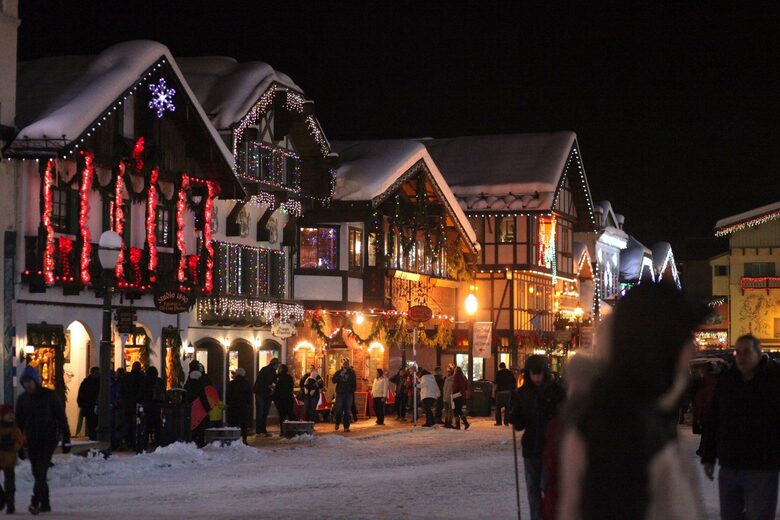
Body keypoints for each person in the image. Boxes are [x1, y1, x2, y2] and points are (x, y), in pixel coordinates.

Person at [558, 282, 707, 520]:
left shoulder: (642, 411)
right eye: (684, 339)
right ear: (657, 347)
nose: (694, 350)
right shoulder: (620, 427)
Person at [700, 334, 780, 520]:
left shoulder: (774, 378)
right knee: (730, 515)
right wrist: (708, 456)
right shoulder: (728, 380)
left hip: (763, 466)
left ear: (758, 353)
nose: (741, 357)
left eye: (746, 352)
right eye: (737, 352)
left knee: (759, 514)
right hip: (730, 464)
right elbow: (714, 419)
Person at [510, 355, 565, 520]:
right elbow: (520, 424)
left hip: (550, 449)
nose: (537, 378)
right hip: (531, 449)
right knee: (533, 493)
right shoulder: (522, 393)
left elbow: (562, 418)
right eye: (534, 374)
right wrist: (514, 417)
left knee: (549, 490)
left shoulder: (556, 392)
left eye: (540, 374)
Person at [16, 365, 70, 514]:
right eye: (24, 381)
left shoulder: (49, 396)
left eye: (29, 381)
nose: (27, 384)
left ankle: (35, 502)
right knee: (38, 472)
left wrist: (66, 438)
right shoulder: (23, 399)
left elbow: (61, 417)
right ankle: (45, 503)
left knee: (40, 470)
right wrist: (19, 445)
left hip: (48, 438)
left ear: (35, 380)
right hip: (32, 439)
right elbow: (19, 423)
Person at [0, 405, 22, 514]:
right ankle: (1, 499)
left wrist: (11, 445)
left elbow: (19, 442)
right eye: (8, 415)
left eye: (11, 415)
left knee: (9, 484)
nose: (10, 417)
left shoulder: (14, 429)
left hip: (9, 460)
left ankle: (10, 504)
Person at [184, 363, 210, 447]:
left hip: (189, 409)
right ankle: (200, 441)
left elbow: (184, 397)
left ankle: (191, 440)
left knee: (191, 424)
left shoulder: (187, 385)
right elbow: (203, 398)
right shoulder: (200, 385)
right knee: (200, 425)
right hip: (200, 409)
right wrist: (208, 408)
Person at [122, 362, 145, 451]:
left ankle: (128, 442)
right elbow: (142, 391)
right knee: (137, 424)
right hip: (137, 404)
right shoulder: (142, 377)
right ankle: (136, 443)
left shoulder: (126, 377)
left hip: (127, 404)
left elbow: (123, 390)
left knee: (128, 424)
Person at [253, 358, 279, 437]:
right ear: (274, 364)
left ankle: (262, 430)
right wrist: (269, 386)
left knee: (262, 413)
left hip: (265, 394)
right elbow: (261, 381)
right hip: (262, 394)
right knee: (262, 412)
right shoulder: (266, 370)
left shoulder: (270, 371)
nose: (278, 366)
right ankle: (260, 431)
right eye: (277, 364)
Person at [226, 368, 252, 444]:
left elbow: (228, 395)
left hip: (233, 406)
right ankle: (244, 440)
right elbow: (249, 395)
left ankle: (232, 440)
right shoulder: (246, 383)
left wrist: (229, 403)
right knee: (244, 424)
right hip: (243, 406)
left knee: (233, 423)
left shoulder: (231, 383)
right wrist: (247, 404)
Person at [332, 359, 357, 432]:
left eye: (347, 364)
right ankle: (337, 423)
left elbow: (354, 383)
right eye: (344, 364)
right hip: (340, 393)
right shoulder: (339, 372)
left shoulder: (352, 373)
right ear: (342, 365)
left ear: (348, 365)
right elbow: (333, 380)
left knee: (347, 410)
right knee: (339, 409)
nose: (345, 365)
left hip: (348, 394)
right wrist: (341, 375)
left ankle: (346, 427)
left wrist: (352, 390)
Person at [142, 366, 165, 448]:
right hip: (156, 405)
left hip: (147, 405)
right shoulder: (159, 381)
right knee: (157, 425)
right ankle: (157, 442)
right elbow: (163, 393)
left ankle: (144, 443)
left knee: (147, 424)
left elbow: (142, 393)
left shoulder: (144, 381)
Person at [76, 367, 100, 440]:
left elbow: (81, 393)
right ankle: (94, 437)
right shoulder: (97, 382)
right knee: (92, 423)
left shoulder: (86, 382)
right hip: (90, 406)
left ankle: (93, 437)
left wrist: (81, 404)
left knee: (91, 424)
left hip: (88, 406)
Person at [274, 364, 296, 435]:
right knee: (289, 414)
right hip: (288, 398)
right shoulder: (289, 377)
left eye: (280, 368)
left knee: (282, 415)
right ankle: (293, 429)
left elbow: (277, 388)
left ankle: (283, 431)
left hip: (281, 398)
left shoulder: (279, 378)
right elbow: (291, 387)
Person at [494, 361, 515, 426]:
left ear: (500, 367)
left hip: (500, 392)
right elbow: (514, 381)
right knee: (507, 408)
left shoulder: (499, 373)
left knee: (498, 407)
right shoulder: (509, 373)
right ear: (505, 366)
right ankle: (506, 422)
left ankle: (499, 422)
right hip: (508, 392)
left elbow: (496, 382)